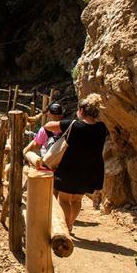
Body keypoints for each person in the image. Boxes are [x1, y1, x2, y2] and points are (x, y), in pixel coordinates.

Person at [38, 94, 109, 234]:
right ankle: (70, 224)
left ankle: (65, 227)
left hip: (68, 170)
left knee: (64, 200)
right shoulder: (101, 128)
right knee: (76, 201)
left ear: (82, 110)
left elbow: (48, 126)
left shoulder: (73, 125)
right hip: (88, 171)